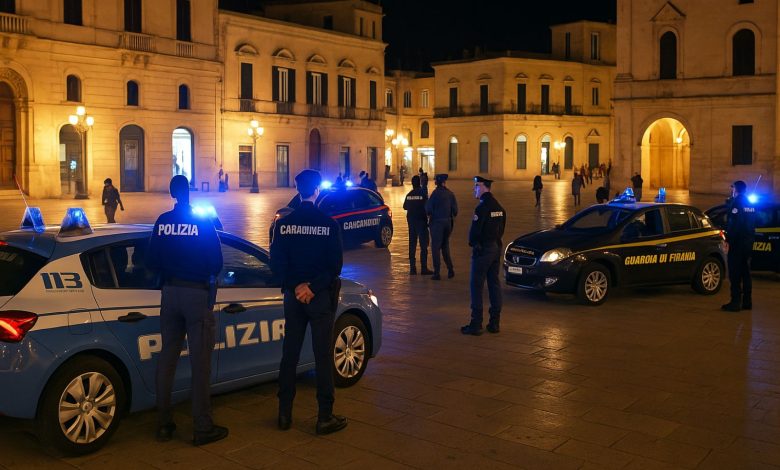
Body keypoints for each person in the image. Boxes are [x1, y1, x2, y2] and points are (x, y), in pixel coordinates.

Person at [146, 175, 227, 446]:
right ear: (189, 191)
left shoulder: (162, 222)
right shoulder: (202, 222)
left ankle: (163, 424)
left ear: (171, 193)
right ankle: (202, 427)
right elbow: (216, 262)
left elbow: (150, 260)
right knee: (200, 363)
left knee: (167, 359)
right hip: (196, 295)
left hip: (170, 294)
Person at [270, 169, 347, 435]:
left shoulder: (283, 224)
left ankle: (284, 414)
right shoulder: (328, 224)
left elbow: (277, 264)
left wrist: (296, 287)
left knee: (290, 354)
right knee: (322, 355)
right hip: (319, 297)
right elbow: (334, 266)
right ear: (317, 191)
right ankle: (324, 416)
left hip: (293, 298)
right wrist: (312, 287)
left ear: (297, 189)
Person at [461, 176, 506, 336]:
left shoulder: (482, 208)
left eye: (476, 186)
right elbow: (502, 229)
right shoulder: (499, 207)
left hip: (483, 250)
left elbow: (475, 232)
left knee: (476, 285)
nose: (474, 189)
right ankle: (494, 322)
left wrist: (474, 243)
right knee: (494, 284)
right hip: (495, 248)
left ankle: (476, 323)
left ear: (483, 187)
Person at [721, 180, 756, 312]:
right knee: (746, 273)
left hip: (737, 243)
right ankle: (747, 302)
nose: (732, 190)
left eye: (733, 188)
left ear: (735, 189)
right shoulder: (751, 203)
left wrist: (728, 238)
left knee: (735, 273)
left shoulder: (737, 203)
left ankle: (735, 302)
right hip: (748, 243)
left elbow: (734, 224)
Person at [425, 173, 458, 280]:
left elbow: (428, 209)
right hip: (448, 224)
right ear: (444, 182)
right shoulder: (450, 194)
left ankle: (437, 273)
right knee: (445, 246)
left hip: (437, 224)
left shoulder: (435, 194)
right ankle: (450, 269)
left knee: (436, 248)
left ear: (436, 183)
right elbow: (455, 211)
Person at [404, 175, 433, 275]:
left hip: (412, 223)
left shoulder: (409, 195)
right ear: (419, 182)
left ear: (412, 184)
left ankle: (413, 269)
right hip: (421, 222)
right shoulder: (423, 193)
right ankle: (424, 268)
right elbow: (428, 207)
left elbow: (405, 206)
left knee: (412, 245)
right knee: (423, 245)